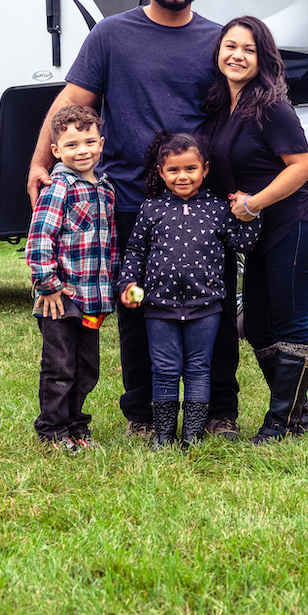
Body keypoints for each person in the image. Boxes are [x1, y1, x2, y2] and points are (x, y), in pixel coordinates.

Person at [27, 0, 239, 438]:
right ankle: (143, 415)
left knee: (218, 303)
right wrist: (40, 160)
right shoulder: (111, 35)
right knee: (134, 306)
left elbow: (251, 106)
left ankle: (219, 412)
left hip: (201, 201)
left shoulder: (216, 41)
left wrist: (298, 160)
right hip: (129, 198)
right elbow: (72, 99)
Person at [200, 15, 308, 442]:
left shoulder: (272, 105)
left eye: (249, 49)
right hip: (257, 234)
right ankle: (297, 415)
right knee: (256, 325)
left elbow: (302, 168)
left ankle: (284, 422)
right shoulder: (222, 107)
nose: (238, 55)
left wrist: (253, 203)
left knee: (288, 325)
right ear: (219, 51)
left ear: (263, 58)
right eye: (231, 46)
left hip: (293, 225)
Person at [117, 132, 261, 449]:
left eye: (190, 169)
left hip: (205, 307)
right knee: (165, 370)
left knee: (198, 369)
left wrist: (250, 211)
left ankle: (193, 435)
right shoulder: (151, 209)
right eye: (173, 170)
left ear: (205, 169)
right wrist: (128, 284)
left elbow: (243, 244)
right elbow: (135, 253)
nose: (182, 176)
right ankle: (164, 436)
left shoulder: (217, 209)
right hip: (158, 308)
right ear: (160, 172)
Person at [24, 104, 115, 454]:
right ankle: (52, 430)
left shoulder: (106, 190)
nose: (83, 150)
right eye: (73, 144)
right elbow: (39, 239)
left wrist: (116, 287)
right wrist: (48, 285)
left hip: (93, 298)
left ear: (101, 143)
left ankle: (78, 426)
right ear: (56, 150)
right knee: (60, 367)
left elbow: (111, 247)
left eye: (89, 142)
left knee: (86, 367)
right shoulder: (58, 187)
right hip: (61, 298)